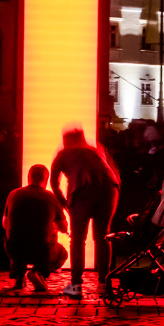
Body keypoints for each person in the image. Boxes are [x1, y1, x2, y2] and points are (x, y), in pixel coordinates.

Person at [50, 127, 120, 300]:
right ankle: (104, 283)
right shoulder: (96, 149)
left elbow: (53, 181)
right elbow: (114, 171)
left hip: (82, 191)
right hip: (109, 189)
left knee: (78, 239)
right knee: (103, 237)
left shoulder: (64, 153)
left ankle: (76, 286)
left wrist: (63, 203)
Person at [3, 164, 68, 292]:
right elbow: (64, 228)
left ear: (28, 177)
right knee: (63, 254)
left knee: (16, 236)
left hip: (14, 249)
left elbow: (5, 224)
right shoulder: (51, 197)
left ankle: (19, 277)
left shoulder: (13, 194)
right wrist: (52, 226)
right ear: (47, 180)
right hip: (41, 251)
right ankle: (39, 272)